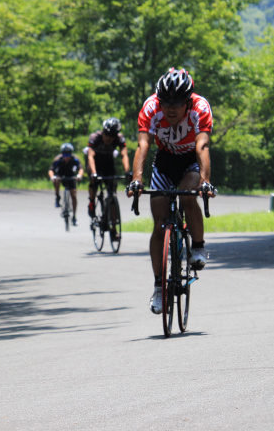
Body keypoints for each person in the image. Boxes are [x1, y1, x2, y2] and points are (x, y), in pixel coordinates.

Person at [127, 68, 216, 315]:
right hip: (164, 161)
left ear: (188, 101)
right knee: (159, 223)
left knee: (189, 195)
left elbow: (203, 144)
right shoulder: (150, 107)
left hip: (190, 161)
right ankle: (158, 286)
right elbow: (143, 145)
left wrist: (205, 181)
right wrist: (136, 180)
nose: (171, 108)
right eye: (166, 102)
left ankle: (197, 246)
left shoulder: (201, 107)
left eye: (177, 102)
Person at [85, 117, 131, 226]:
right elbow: (90, 156)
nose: (109, 138)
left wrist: (127, 171)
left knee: (112, 194)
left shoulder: (119, 138)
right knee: (94, 182)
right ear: (103, 131)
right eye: (107, 134)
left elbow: (124, 155)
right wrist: (94, 173)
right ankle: (92, 202)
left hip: (108, 163)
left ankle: (113, 227)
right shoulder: (95, 137)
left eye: (112, 135)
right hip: (94, 163)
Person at [48, 142, 84, 225]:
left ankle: (74, 216)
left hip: (71, 177)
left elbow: (81, 168)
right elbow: (51, 170)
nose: (66, 157)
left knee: (74, 196)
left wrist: (79, 175)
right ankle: (57, 196)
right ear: (62, 154)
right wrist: (52, 177)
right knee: (56, 180)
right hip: (61, 176)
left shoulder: (75, 159)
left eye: (68, 155)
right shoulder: (58, 159)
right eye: (65, 155)